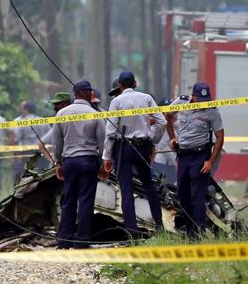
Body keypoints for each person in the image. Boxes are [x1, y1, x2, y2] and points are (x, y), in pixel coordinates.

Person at [102, 71, 166, 234]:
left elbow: (110, 132)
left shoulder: (116, 101)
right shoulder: (146, 98)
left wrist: (107, 156)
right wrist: (152, 140)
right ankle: (159, 226)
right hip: (143, 148)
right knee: (150, 186)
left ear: (120, 86)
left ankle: (131, 230)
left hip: (124, 149)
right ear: (135, 84)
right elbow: (162, 122)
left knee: (126, 189)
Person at [51, 80, 106, 249]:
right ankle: (82, 241)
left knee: (68, 200)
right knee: (86, 201)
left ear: (74, 94)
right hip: (89, 161)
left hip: (70, 162)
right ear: (90, 94)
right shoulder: (94, 114)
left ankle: (64, 239)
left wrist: (58, 162)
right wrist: (103, 163)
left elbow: (57, 142)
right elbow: (102, 141)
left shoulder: (61, 114)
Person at [166, 82, 225, 237]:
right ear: (192, 97)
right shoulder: (181, 102)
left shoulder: (212, 112)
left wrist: (210, 161)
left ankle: (199, 233)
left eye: (205, 99)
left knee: (197, 196)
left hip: (200, 157)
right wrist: (172, 138)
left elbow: (220, 137)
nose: (203, 103)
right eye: (199, 99)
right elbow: (167, 116)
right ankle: (189, 230)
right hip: (183, 156)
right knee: (183, 195)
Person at [154, 95, 190, 184]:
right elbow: (163, 146)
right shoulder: (161, 124)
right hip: (163, 162)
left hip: (172, 162)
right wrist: (175, 160)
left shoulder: (176, 122)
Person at [8, 101, 48, 180]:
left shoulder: (22, 122)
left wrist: (12, 151)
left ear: (26, 110)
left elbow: (16, 139)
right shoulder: (43, 121)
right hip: (42, 152)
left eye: (22, 109)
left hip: (26, 153)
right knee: (42, 175)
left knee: (26, 176)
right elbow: (49, 137)